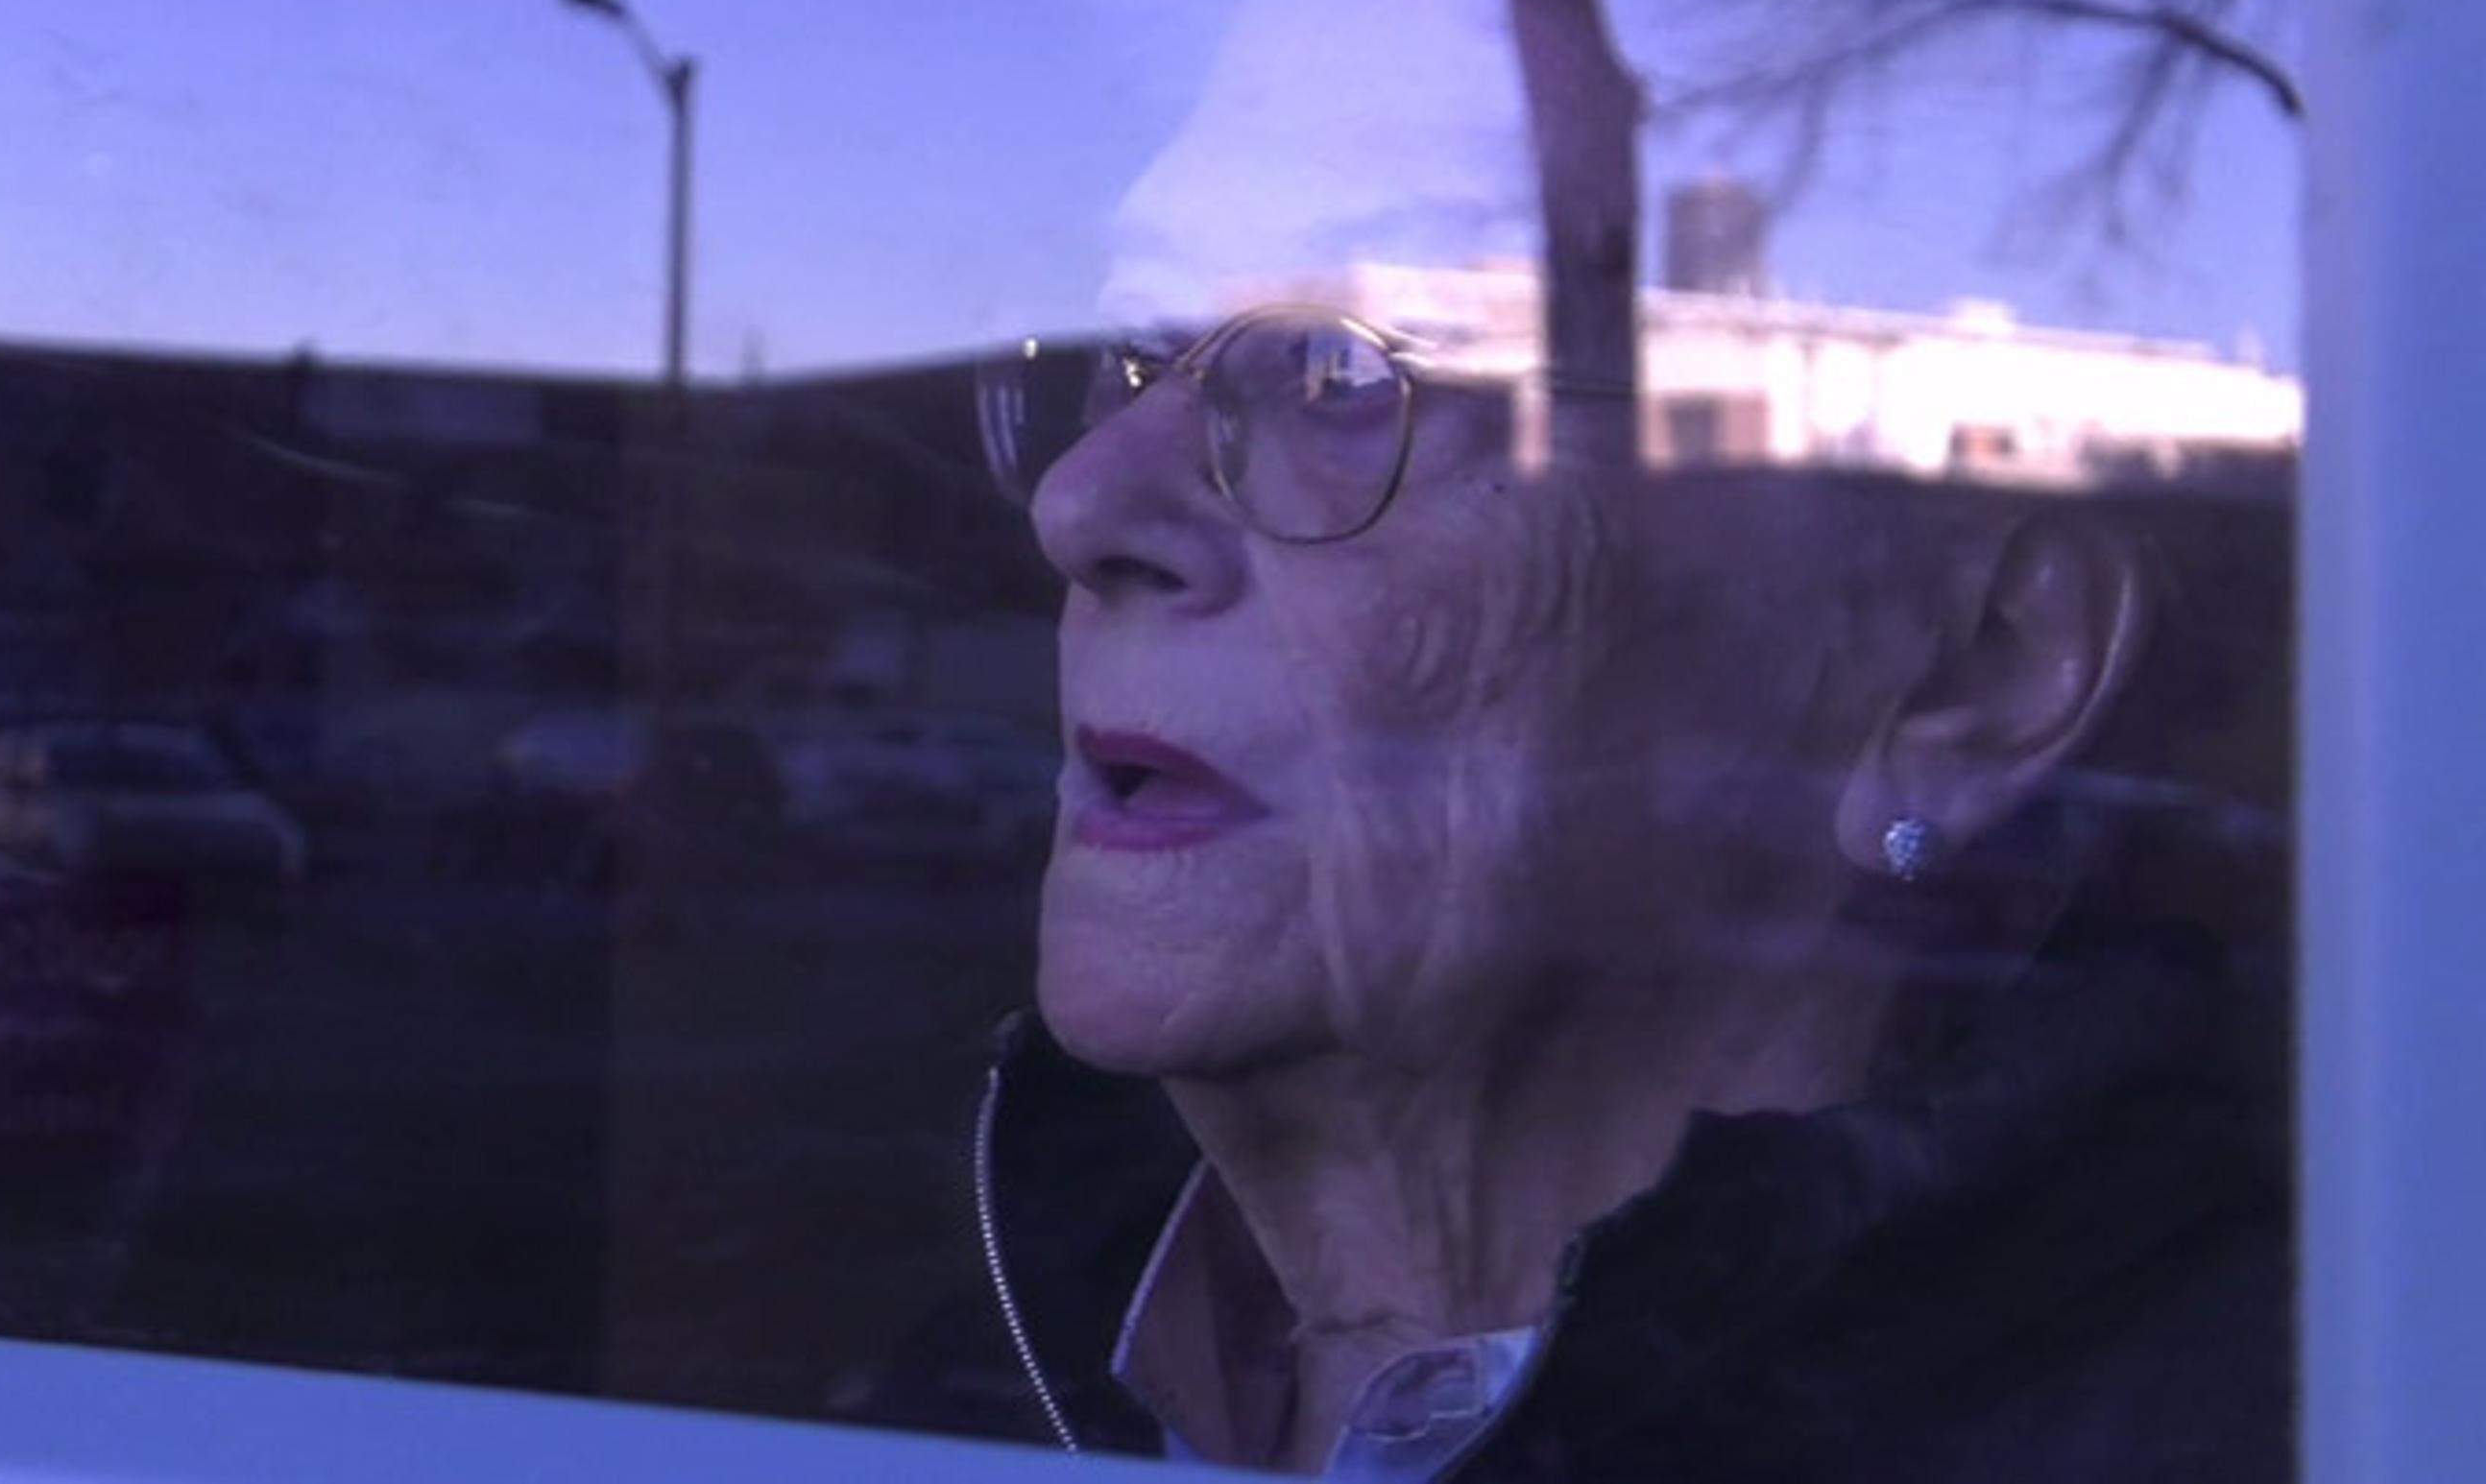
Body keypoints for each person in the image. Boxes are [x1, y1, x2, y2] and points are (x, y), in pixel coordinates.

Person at [915, 310, 2290, 1480]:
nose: (1079, 503)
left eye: (1340, 376)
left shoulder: (2335, 1421)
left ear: (1977, 678)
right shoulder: (934, 1365)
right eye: (1133, 363)